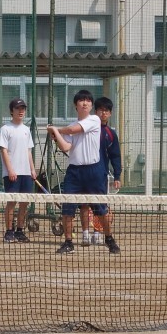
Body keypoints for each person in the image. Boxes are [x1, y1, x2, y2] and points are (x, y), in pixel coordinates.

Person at [47, 90, 120, 255]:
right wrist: (56, 136)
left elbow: (73, 130)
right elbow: (66, 147)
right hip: (74, 173)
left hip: (94, 171)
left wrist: (56, 129)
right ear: (76, 105)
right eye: (81, 100)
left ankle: (109, 238)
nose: (85, 103)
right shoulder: (71, 126)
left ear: (91, 105)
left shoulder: (94, 120)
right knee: (67, 209)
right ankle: (68, 242)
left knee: (101, 209)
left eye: (88, 100)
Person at [85, 96, 122, 246]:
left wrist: (117, 176)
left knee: (100, 205)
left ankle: (97, 234)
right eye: (101, 110)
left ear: (110, 113)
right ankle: (85, 235)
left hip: (101, 175)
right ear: (95, 112)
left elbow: (115, 156)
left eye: (106, 110)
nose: (103, 113)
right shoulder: (86, 129)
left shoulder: (111, 134)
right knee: (84, 204)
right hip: (84, 174)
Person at [0, 97, 37, 243]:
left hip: (26, 173)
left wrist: (32, 170)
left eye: (23, 108)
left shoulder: (27, 130)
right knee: (12, 202)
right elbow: (3, 150)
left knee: (24, 203)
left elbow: (28, 151)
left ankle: (20, 231)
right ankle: (9, 232)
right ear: (11, 111)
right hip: (12, 173)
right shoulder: (5, 129)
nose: (21, 111)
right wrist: (10, 170)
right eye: (17, 108)